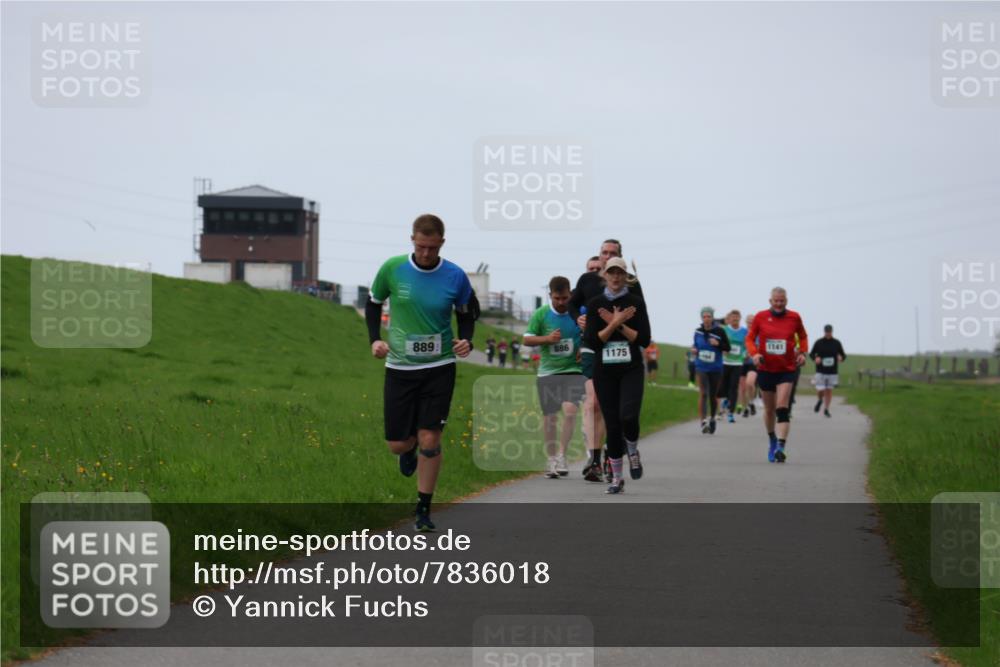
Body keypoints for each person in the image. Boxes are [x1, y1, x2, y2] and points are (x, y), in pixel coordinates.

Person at [366, 214, 477, 531]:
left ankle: (423, 510)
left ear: (442, 242)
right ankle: (408, 449)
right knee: (398, 444)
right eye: (421, 246)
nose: (426, 253)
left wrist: (466, 340)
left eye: (432, 247)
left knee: (431, 436)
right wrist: (375, 339)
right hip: (400, 366)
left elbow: (467, 312)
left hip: (439, 366)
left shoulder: (455, 276)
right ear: (412, 240)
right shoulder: (392, 269)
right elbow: (373, 304)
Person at [570, 242, 644, 483]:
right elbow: (572, 304)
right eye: (604, 253)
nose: (608, 257)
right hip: (595, 348)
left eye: (613, 254)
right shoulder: (587, 280)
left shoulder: (631, 282)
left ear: (620, 258)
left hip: (625, 351)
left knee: (621, 411)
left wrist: (618, 324)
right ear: (600, 259)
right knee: (593, 403)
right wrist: (579, 318)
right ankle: (595, 459)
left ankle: (616, 454)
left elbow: (641, 318)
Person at [584, 257, 651, 494]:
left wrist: (619, 324)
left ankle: (632, 449)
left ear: (625, 276)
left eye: (619, 273)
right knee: (612, 425)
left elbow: (643, 339)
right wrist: (613, 324)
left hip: (631, 367)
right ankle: (616, 478)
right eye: (611, 272)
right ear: (604, 275)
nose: (615, 277)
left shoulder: (635, 303)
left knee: (628, 416)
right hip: (605, 371)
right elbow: (592, 341)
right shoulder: (595, 304)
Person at [523, 276, 586, 478]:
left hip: (573, 370)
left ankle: (562, 455)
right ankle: (550, 459)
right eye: (557, 298)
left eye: (565, 297)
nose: (561, 302)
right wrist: (547, 339)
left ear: (571, 295)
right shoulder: (541, 315)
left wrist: (583, 349)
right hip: (548, 372)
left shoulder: (578, 313)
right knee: (550, 417)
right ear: (550, 295)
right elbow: (527, 340)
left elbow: (590, 333)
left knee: (569, 410)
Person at [745, 287, 808, 464]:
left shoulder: (794, 317)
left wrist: (802, 353)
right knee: (769, 409)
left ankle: (781, 446)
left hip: (787, 369)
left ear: (786, 301)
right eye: (776, 301)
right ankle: (772, 439)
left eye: (782, 301)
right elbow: (750, 338)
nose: (779, 303)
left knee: (782, 407)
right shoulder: (761, 317)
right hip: (766, 369)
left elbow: (802, 336)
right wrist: (755, 354)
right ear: (770, 301)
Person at [692, 307, 731, 434]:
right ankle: (703, 421)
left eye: (709, 316)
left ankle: (713, 418)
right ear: (702, 318)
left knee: (713, 395)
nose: (707, 319)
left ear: (712, 317)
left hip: (715, 368)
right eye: (704, 316)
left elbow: (728, 347)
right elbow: (695, 346)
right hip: (701, 366)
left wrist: (718, 344)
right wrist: (694, 350)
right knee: (703, 393)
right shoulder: (697, 332)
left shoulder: (719, 331)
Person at [810, 324, 847, 417]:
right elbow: (811, 354)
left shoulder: (836, 343)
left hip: (832, 371)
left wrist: (841, 358)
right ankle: (820, 400)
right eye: (826, 332)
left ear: (832, 332)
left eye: (829, 332)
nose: (828, 333)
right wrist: (815, 358)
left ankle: (826, 409)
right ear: (824, 332)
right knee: (820, 389)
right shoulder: (819, 342)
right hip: (820, 371)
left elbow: (843, 355)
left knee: (829, 390)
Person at [719, 310, 747, 424]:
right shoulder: (725, 330)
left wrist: (745, 354)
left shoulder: (744, 331)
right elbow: (720, 342)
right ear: (729, 319)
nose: (735, 319)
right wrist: (723, 349)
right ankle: (725, 400)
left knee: (734, 387)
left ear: (740, 318)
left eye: (737, 317)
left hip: (737, 362)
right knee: (724, 386)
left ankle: (731, 413)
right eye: (733, 317)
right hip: (725, 361)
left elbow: (746, 345)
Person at [740, 312, 758, 417]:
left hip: (753, 362)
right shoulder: (742, 332)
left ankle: (751, 402)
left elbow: (760, 347)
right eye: (749, 322)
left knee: (750, 383)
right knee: (742, 388)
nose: (750, 324)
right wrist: (743, 354)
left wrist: (751, 353)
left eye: (752, 322)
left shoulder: (758, 333)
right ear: (746, 322)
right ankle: (745, 408)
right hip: (741, 362)